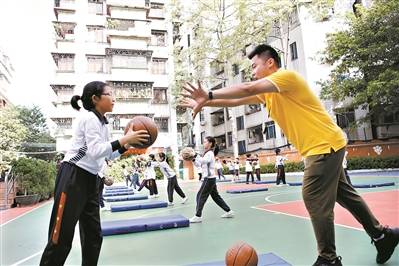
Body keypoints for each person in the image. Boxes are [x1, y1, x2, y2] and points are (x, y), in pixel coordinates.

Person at [181, 44, 399, 265]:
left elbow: (247, 89)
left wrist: (208, 93)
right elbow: (238, 100)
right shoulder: (268, 93)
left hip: (324, 146)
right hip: (325, 145)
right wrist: (206, 101)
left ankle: (328, 259)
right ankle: (383, 236)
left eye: (255, 66)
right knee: (346, 195)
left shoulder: (286, 77)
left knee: (313, 195)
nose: (253, 72)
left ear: (270, 63)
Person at [40, 81, 149, 266]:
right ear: (96, 98)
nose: (114, 98)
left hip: (92, 180)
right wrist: (124, 139)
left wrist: (127, 145)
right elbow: (95, 151)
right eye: (110, 94)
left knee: (93, 236)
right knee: (61, 236)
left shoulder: (103, 124)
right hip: (73, 176)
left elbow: (108, 153)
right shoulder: (89, 118)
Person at [189, 136, 234, 223]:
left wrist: (195, 155)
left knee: (200, 196)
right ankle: (229, 211)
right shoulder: (206, 153)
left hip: (209, 179)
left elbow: (204, 161)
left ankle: (198, 216)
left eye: (205, 142)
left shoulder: (210, 153)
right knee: (216, 197)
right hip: (210, 179)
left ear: (210, 143)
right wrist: (193, 159)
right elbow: (199, 164)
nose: (204, 143)